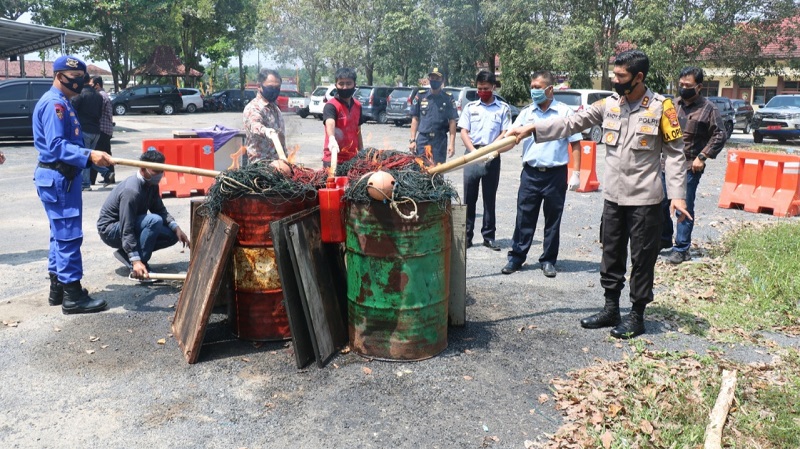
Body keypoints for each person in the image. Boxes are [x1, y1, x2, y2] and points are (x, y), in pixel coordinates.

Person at [505, 50, 691, 339]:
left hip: (645, 198)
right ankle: (611, 308)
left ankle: (637, 315)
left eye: (621, 76)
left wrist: (678, 194)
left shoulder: (661, 107)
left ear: (639, 77)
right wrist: (532, 127)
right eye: (614, 74)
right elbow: (569, 124)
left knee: (642, 259)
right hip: (614, 197)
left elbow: (677, 154)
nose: (614, 80)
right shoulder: (608, 105)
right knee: (611, 253)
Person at [33, 55, 114, 314]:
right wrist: (89, 155)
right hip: (60, 178)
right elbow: (57, 146)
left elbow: (71, 144)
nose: (80, 83)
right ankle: (73, 296)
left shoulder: (63, 103)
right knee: (68, 235)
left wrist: (93, 161)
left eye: (82, 78)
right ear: (59, 76)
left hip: (61, 176)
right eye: (75, 79)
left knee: (59, 234)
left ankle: (58, 288)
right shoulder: (55, 105)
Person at [502, 70, 582, 277]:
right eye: (532, 87)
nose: (534, 91)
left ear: (549, 89)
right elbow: (510, 137)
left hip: (555, 174)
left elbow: (575, 143)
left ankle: (548, 260)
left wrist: (576, 173)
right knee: (524, 217)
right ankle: (517, 257)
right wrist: (493, 150)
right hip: (530, 173)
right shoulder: (527, 112)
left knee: (553, 218)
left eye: (538, 87)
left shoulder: (564, 113)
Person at [661, 66, 726, 264]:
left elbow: (720, 134)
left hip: (690, 166)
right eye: (681, 84)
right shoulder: (672, 105)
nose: (683, 88)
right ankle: (664, 241)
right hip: (666, 164)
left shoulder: (709, 109)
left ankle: (682, 248)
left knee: (683, 207)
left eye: (687, 85)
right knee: (661, 203)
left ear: (698, 87)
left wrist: (703, 156)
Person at [97, 150, 190, 282]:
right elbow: (126, 227)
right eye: (155, 171)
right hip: (111, 230)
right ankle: (139, 266)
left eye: (161, 171)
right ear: (142, 169)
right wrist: (136, 261)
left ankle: (126, 254)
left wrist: (177, 228)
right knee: (154, 221)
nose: (159, 175)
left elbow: (160, 209)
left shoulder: (151, 184)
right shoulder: (132, 191)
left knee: (171, 235)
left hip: (129, 225)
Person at [458, 70, 512, 250]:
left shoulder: (502, 108)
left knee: (489, 197)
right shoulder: (470, 107)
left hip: (492, 155)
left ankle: (489, 236)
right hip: (472, 155)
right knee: (469, 198)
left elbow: (505, 133)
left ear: (493, 87)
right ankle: (467, 236)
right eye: (479, 88)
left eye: (486, 88)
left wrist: (490, 150)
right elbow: (464, 131)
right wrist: (474, 152)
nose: (482, 91)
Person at [408, 67, 458, 164]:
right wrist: (412, 140)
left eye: (437, 79)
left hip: (439, 140)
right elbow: (415, 119)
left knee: (438, 171)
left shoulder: (448, 98)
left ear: (442, 80)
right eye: (432, 78)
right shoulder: (421, 95)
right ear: (429, 79)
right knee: (421, 169)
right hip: (423, 139)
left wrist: (452, 144)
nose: (434, 81)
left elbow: (452, 121)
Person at [72, 76, 112, 190]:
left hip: (84, 130)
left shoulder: (79, 95)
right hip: (96, 130)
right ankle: (106, 173)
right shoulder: (98, 96)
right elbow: (100, 114)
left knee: (85, 156)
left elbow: (72, 111)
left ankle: (85, 184)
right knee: (90, 156)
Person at [323, 67, 365, 169]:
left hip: (353, 160)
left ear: (354, 85)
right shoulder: (331, 105)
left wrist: (362, 150)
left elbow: (358, 130)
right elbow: (330, 123)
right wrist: (332, 138)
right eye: (341, 84)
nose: (345, 87)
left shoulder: (358, 106)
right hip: (334, 159)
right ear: (336, 85)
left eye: (348, 83)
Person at [243, 68, 286, 163]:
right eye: (270, 87)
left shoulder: (275, 107)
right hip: (261, 166)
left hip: (279, 164)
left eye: (277, 87)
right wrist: (267, 131)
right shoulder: (253, 107)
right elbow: (255, 125)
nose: (274, 91)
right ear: (259, 86)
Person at [89, 76, 115, 186]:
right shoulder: (105, 95)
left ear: (97, 85)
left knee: (96, 154)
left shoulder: (99, 96)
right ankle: (110, 177)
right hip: (107, 129)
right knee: (107, 154)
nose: (89, 87)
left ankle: (92, 179)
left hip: (102, 129)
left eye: (90, 85)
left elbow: (97, 113)